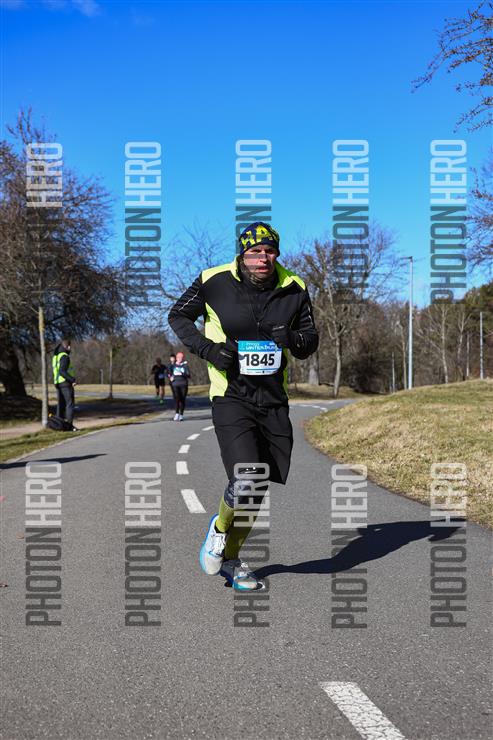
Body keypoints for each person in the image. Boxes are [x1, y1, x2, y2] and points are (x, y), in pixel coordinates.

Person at [168, 221, 318, 590]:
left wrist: (291, 338)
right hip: (231, 394)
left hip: (274, 399)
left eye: (269, 251)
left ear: (276, 254)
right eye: (254, 252)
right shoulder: (213, 280)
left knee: (257, 487)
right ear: (242, 254)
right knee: (247, 475)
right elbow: (178, 316)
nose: (262, 258)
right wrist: (208, 350)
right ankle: (218, 530)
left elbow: (310, 340)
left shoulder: (295, 287)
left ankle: (232, 562)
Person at [52, 338, 76, 428]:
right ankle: (69, 426)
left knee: (61, 405)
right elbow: (62, 371)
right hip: (65, 383)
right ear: (68, 347)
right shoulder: (64, 356)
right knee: (69, 405)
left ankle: (59, 425)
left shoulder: (56, 356)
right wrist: (72, 380)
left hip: (58, 383)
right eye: (70, 347)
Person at [168, 351, 190, 421]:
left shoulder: (185, 365)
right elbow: (169, 372)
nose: (180, 358)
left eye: (181, 357)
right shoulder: (173, 365)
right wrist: (170, 377)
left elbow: (188, 375)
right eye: (179, 357)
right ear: (176, 358)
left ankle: (181, 415)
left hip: (183, 384)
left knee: (182, 399)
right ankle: (177, 413)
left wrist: (182, 373)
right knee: (177, 398)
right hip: (175, 384)